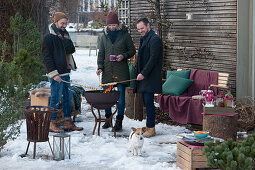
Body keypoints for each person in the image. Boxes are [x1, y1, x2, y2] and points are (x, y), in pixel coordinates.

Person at [42, 12, 83, 133]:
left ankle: (67, 122)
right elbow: (46, 57)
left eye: (66, 23)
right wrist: (54, 74)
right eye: (62, 23)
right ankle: (51, 122)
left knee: (67, 96)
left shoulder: (65, 34)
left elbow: (71, 49)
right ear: (56, 23)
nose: (64, 25)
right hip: (56, 73)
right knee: (55, 97)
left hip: (66, 70)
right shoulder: (50, 37)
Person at [96, 11, 136, 132]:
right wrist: (99, 67)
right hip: (108, 70)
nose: (112, 27)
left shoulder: (125, 35)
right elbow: (101, 53)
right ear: (107, 25)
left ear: (118, 24)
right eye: (110, 25)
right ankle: (108, 119)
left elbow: (132, 50)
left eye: (114, 25)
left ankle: (119, 121)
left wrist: (123, 56)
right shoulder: (104, 36)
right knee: (106, 95)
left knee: (121, 97)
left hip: (121, 70)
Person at [134, 18, 163, 138]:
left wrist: (143, 73)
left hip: (151, 76)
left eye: (142, 28)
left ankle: (151, 128)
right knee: (147, 102)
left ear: (148, 26)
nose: (140, 30)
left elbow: (153, 60)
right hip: (145, 76)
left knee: (149, 102)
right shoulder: (145, 38)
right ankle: (149, 126)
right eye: (138, 29)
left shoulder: (155, 40)